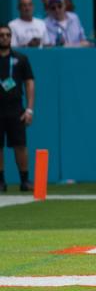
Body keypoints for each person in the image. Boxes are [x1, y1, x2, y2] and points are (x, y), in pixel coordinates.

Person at [0, 25, 34, 192]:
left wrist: (29, 109)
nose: (4, 38)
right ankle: (1, 181)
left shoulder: (21, 58)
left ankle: (25, 180)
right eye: (1, 35)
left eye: (7, 35)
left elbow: (29, 82)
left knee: (20, 145)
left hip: (15, 108)